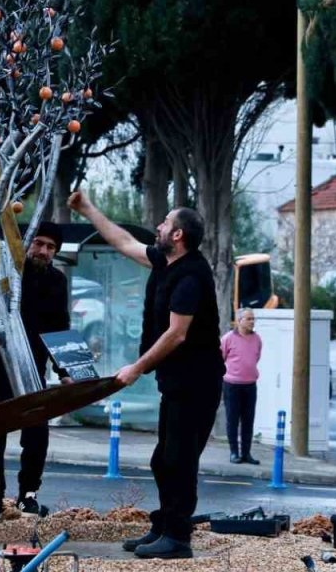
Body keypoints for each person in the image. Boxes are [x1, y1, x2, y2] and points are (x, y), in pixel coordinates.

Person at [69, 192, 224, 560]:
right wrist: (87, 208)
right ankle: (164, 526)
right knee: (163, 460)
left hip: (198, 384)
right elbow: (124, 242)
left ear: (178, 235)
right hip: (177, 383)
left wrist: (135, 368)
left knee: (180, 461)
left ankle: (178, 538)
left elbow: (177, 334)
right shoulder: (165, 261)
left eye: (165, 223)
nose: (158, 226)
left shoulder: (191, 275)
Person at [0, 221, 72, 521]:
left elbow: (59, 327)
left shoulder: (56, 281)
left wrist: (65, 369)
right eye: (38, 243)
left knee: (37, 431)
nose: (44, 251)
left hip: (31, 365)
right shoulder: (1, 268)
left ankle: (28, 496)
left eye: (51, 247)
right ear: (24, 243)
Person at [221, 308, 261, 465]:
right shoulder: (228, 338)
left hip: (250, 385)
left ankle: (246, 453)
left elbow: (256, 357)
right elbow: (221, 358)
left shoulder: (257, 339)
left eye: (253, 318)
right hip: (232, 385)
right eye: (248, 319)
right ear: (239, 321)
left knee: (248, 420)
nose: (252, 321)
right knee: (232, 420)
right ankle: (234, 452)